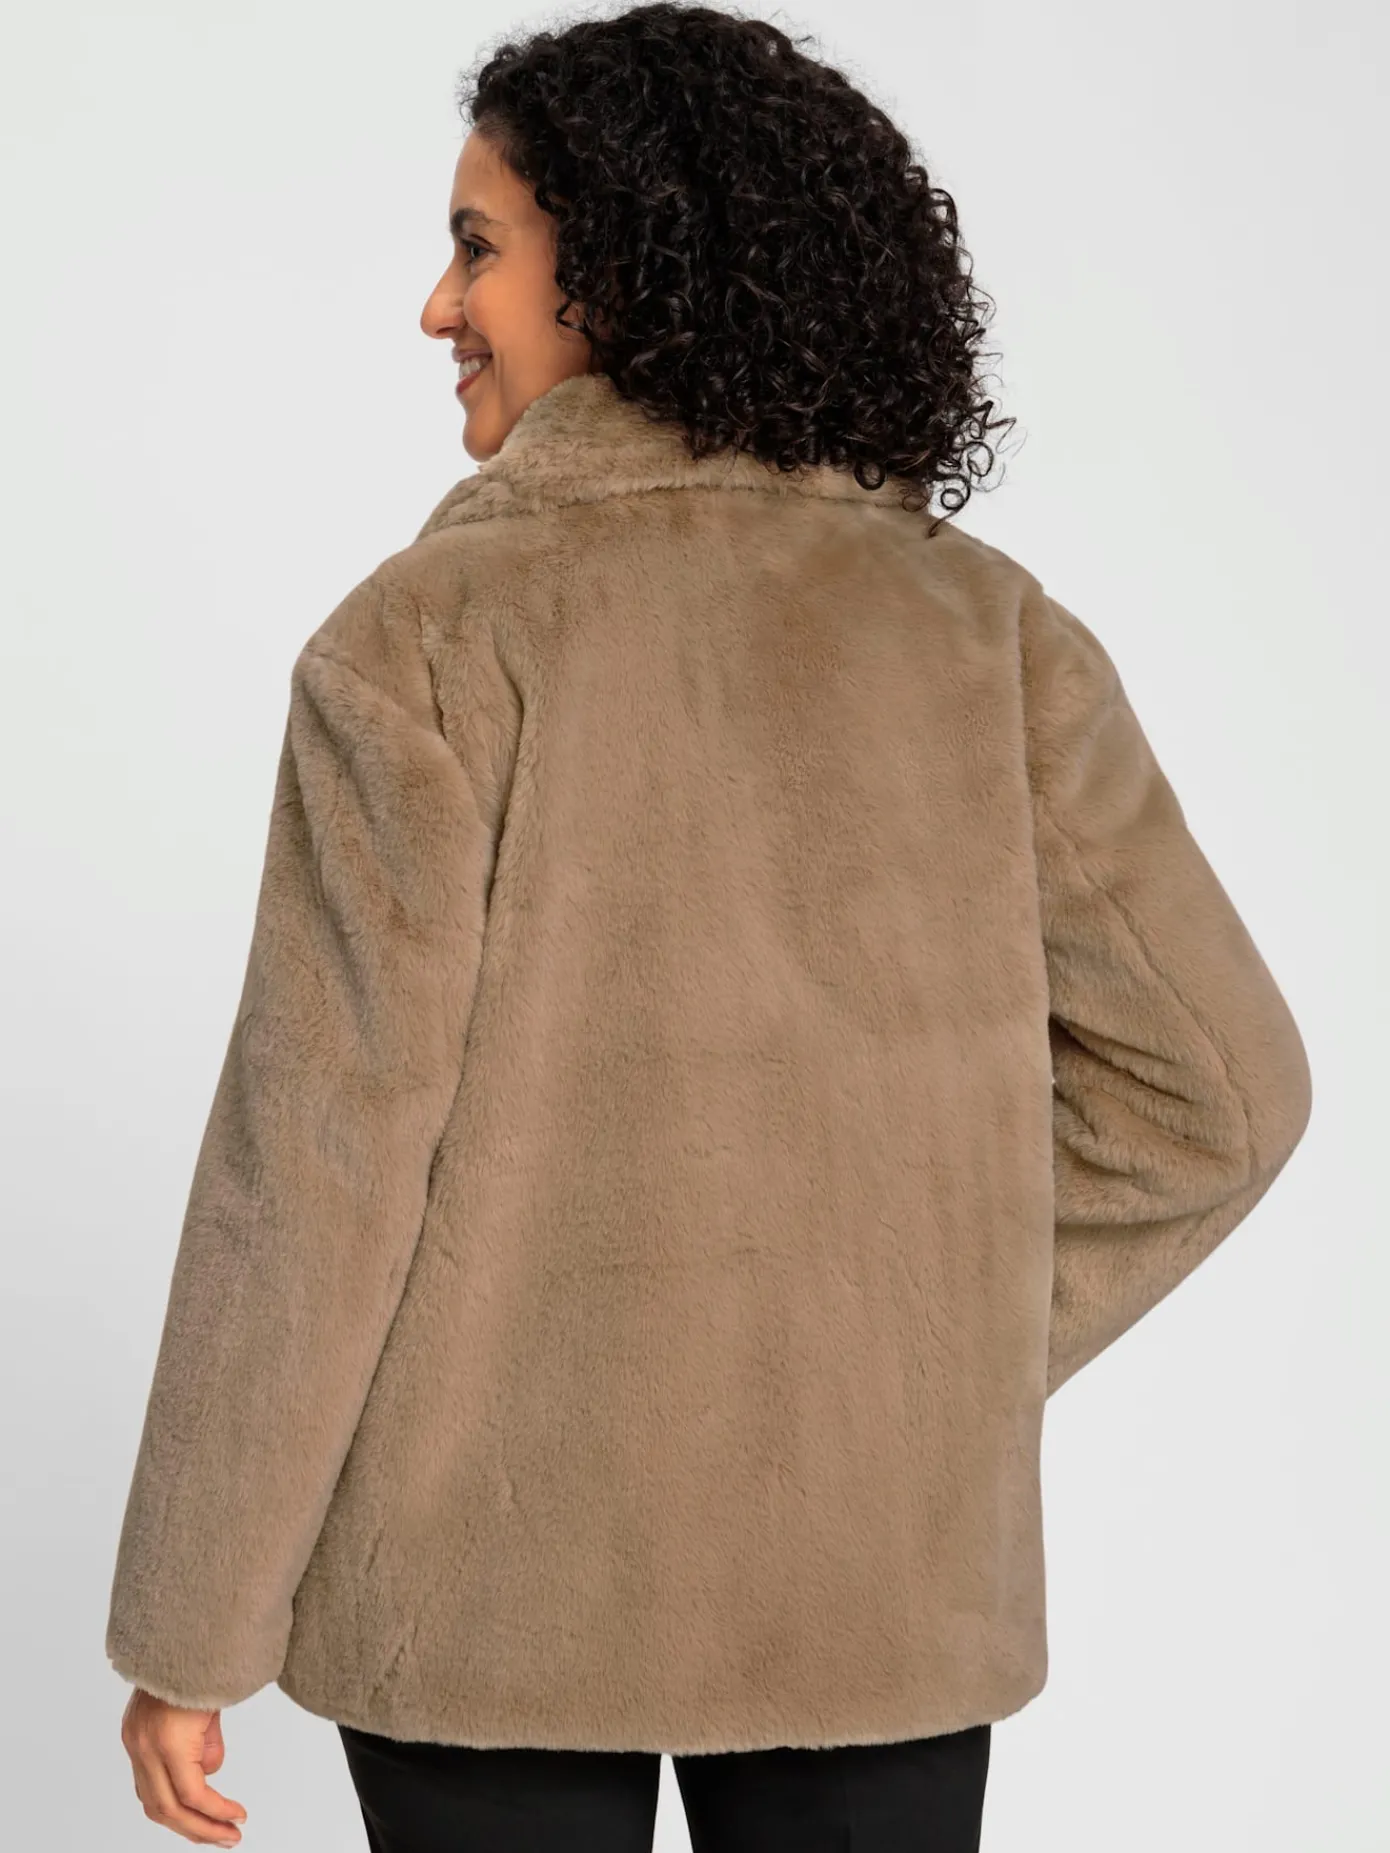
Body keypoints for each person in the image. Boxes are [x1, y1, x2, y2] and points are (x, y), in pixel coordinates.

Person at [106, 5, 1314, 1849]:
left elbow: (317, 1163)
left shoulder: (423, 639)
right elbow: (1216, 1095)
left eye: (475, 249)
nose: (437, 309)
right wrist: (908, 1359)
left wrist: (193, 1624)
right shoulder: (983, 634)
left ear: (618, 264)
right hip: (872, 1582)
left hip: (473, 1589)